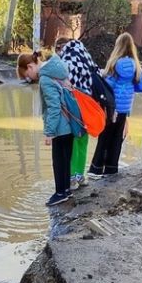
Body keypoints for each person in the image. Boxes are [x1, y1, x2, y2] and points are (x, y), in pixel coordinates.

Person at [88, 32, 142, 178]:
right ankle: (111, 169)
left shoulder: (114, 65)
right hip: (124, 111)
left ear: (118, 47)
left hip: (110, 109)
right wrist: (130, 85)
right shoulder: (135, 67)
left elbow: (107, 86)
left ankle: (96, 170)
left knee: (104, 138)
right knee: (117, 140)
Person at [17, 52, 74, 207]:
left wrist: (49, 132)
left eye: (27, 75)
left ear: (30, 66)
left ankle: (60, 193)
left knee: (58, 161)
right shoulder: (58, 70)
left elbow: (54, 107)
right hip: (70, 124)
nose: (30, 78)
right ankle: (66, 190)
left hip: (60, 127)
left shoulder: (45, 78)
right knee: (65, 159)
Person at [55, 38, 100, 190]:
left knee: (74, 139)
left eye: (57, 50)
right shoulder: (85, 55)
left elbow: (65, 85)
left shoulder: (67, 58)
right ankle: (80, 175)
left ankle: (72, 177)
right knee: (82, 140)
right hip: (89, 104)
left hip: (75, 104)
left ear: (60, 47)